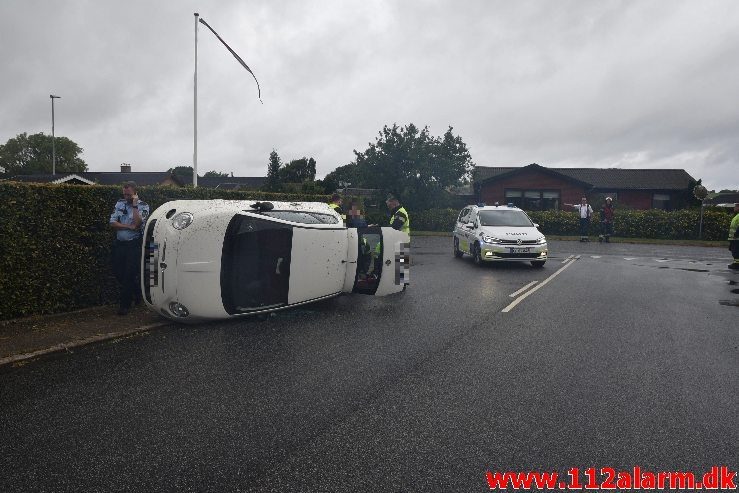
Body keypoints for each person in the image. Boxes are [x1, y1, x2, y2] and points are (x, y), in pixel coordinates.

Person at [109, 182, 150, 315]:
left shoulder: (143, 206)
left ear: (135, 193)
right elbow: (112, 222)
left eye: (128, 194)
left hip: (134, 245)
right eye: (124, 193)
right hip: (120, 244)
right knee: (117, 272)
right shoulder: (119, 204)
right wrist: (128, 226)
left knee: (128, 275)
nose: (125, 196)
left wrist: (134, 205)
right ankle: (137, 291)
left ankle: (124, 306)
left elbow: (138, 223)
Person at [728, 202, 739, 270]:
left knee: (736, 252)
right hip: (734, 238)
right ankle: (736, 263)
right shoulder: (737, 215)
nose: (734, 208)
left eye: (735, 206)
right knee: (734, 251)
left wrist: (736, 234)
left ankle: (737, 265)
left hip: (737, 238)